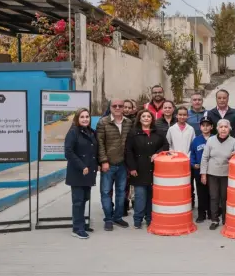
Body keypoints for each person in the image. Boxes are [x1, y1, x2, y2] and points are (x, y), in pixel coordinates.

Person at [125, 110, 169, 229]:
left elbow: (166, 145)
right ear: (139, 119)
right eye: (143, 116)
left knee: (151, 196)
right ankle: (138, 219)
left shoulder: (158, 132)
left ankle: (149, 218)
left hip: (154, 169)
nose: (146, 118)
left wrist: (157, 153)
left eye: (148, 116)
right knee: (140, 196)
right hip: (139, 169)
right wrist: (132, 168)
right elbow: (128, 151)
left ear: (152, 119)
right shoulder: (133, 133)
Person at [96, 98, 133, 231]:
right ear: (110, 107)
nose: (117, 108)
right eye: (114, 106)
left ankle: (117, 217)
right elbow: (99, 143)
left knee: (121, 192)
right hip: (108, 164)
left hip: (123, 164)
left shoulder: (129, 123)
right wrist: (103, 161)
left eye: (120, 106)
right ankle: (108, 219)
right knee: (106, 192)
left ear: (124, 108)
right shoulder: (103, 122)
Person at [200, 119, 235, 230]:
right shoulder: (211, 140)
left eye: (226, 127)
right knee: (214, 197)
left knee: (225, 197)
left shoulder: (233, 141)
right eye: (221, 127)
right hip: (212, 173)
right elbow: (204, 158)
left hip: (226, 174)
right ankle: (214, 220)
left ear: (229, 129)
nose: (223, 129)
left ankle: (225, 218)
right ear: (217, 128)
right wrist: (203, 174)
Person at [64, 108, 99, 239]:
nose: (85, 119)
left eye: (87, 116)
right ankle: (77, 228)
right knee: (78, 201)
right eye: (82, 117)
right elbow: (68, 152)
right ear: (77, 119)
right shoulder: (73, 132)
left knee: (84, 199)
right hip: (78, 172)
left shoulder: (91, 132)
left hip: (89, 172)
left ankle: (81, 224)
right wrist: (81, 166)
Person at [190, 116, 214, 223]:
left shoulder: (215, 138)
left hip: (212, 170)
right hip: (199, 170)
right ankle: (201, 214)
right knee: (201, 192)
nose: (205, 127)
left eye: (207, 125)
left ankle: (211, 212)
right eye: (203, 125)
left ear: (212, 127)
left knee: (211, 192)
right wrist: (193, 163)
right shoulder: (196, 140)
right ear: (200, 127)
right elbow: (192, 154)